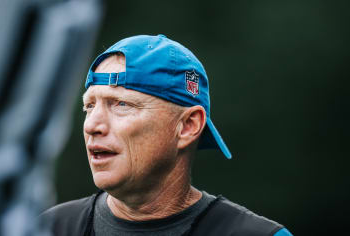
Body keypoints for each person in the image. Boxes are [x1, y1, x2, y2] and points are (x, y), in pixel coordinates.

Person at [40, 34, 293, 236]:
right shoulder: (45, 229)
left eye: (121, 104)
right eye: (90, 106)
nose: (92, 125)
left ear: (188, 126)